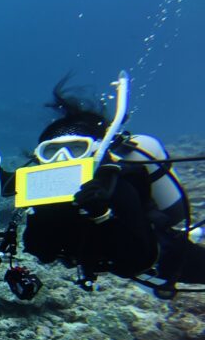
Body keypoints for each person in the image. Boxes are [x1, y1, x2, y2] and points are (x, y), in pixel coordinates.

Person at [21, 79, 205, 296]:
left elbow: (137, 260)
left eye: (77, 149)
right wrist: (41, 215)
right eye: (51, 152)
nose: (64, 160)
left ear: (95, 152)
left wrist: (101, 215)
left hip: (162, 256)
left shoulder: (118, 185)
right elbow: (42, 252)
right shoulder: (45, 193)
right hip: (101, 261)